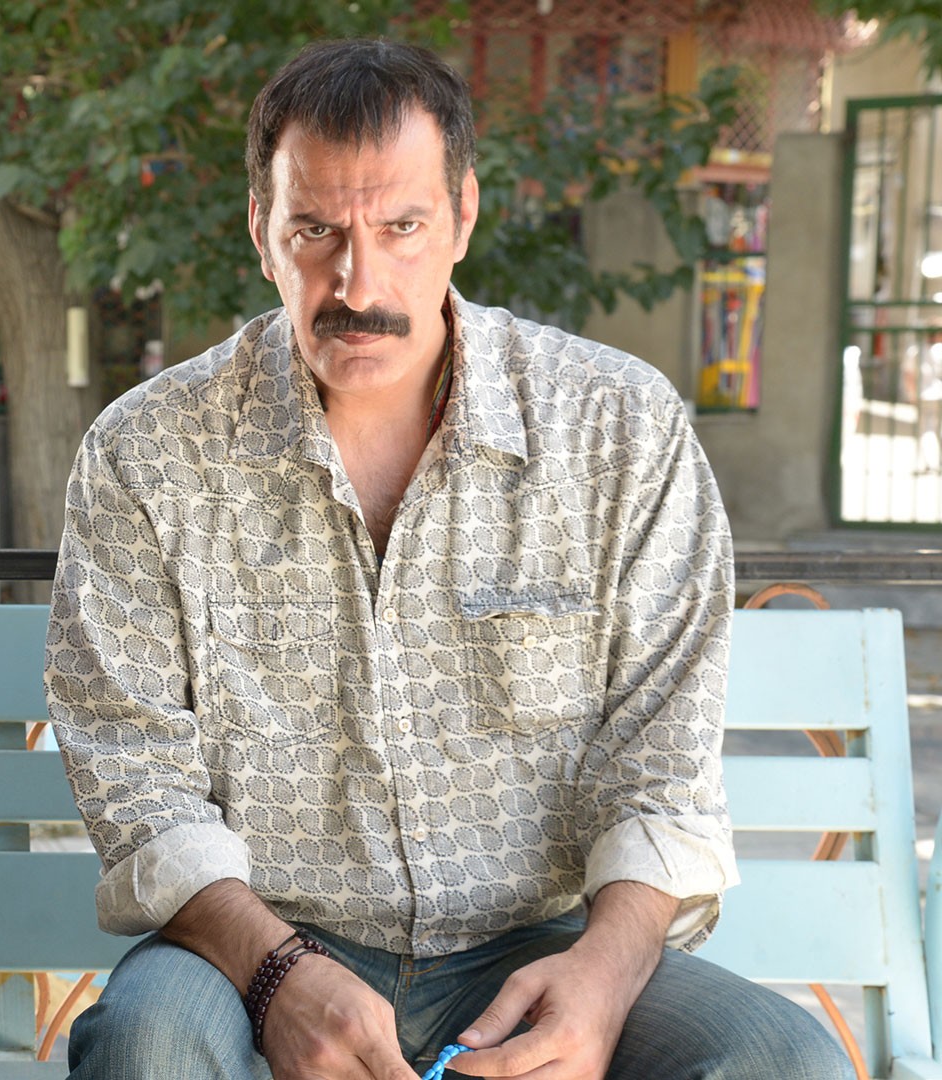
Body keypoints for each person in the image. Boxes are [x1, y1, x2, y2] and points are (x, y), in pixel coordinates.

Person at [44, 38, 851, 1080]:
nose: (358, 281)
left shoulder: (618, 429)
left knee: (785, 1061)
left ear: (463, 216)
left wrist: (603, 980)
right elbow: (134, 773)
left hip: (542, 943)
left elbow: (663, 763)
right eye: (315, 230)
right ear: (261, 231)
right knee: (147, 1049)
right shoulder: (146, 452)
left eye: (402, 226)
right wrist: (279, 972)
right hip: (249, 946)